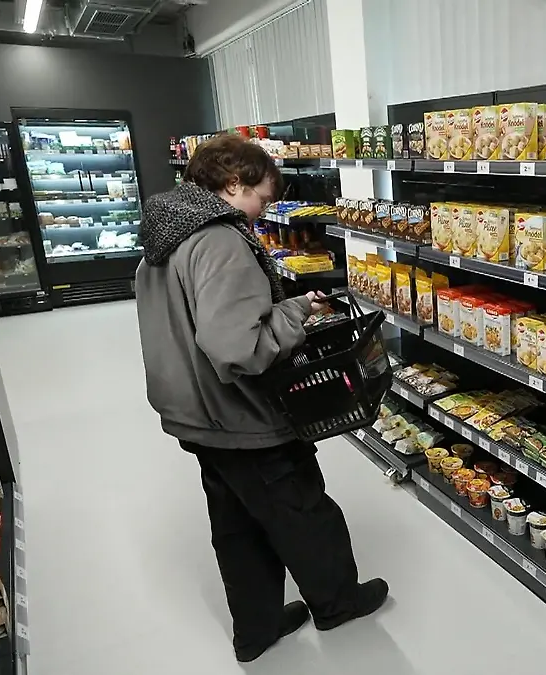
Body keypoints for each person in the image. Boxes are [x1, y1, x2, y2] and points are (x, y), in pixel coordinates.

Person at [135, 134, 387, 662]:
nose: (264, 211)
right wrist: (297, 314)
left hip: (195, 414)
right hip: (238, 414)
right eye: (262, 200)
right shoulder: (220, 241)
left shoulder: (166, 233)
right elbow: (237, 349)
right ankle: (337, 602)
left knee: (236, 525)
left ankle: (258, 627)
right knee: (302, 509)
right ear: (232, 184)